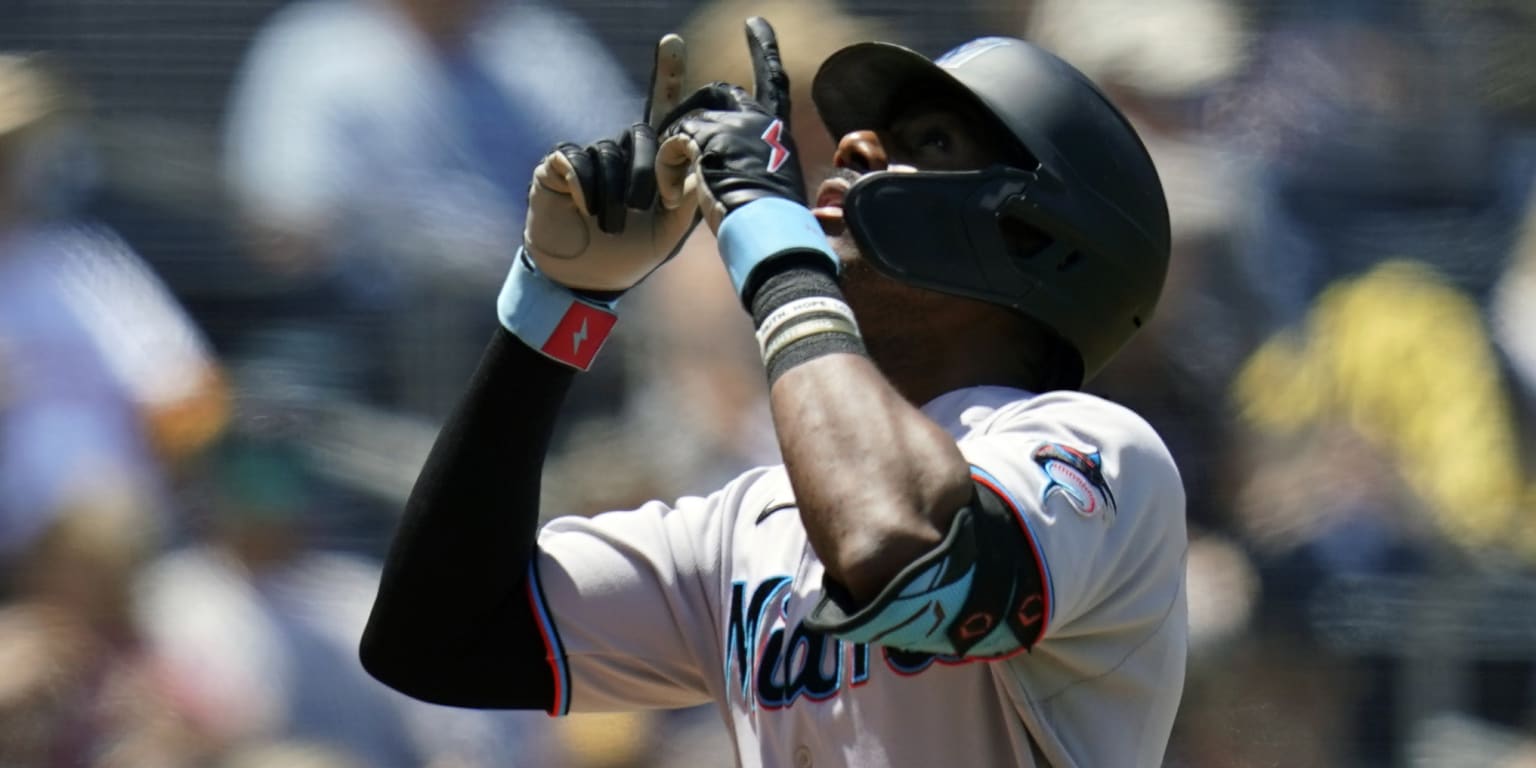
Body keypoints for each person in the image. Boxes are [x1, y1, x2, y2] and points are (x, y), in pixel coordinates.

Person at [362, 18, 1187, 768]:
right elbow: (437, 641)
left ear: (1037, 236)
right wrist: (557, 306)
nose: (853, 145)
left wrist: (780, 255)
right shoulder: (751, 521)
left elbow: (894, 542)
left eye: (930, 141)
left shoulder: (1099, 450)